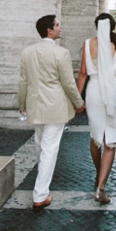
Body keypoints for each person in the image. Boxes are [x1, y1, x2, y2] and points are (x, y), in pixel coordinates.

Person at [19, 15, 85, 211]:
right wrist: (78, 102)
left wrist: (21, 104)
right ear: (49, 30)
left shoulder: (27, 52)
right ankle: (40, 194)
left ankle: (42, 186)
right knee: (49, 148)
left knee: (41, 145)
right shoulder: (61, 53)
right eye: (57, 25)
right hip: (55, 106)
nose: (60, 27)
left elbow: (23, 81)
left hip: (34, 104)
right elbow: (68, 83)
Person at [76, 13, 116, 204]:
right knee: (110, 139)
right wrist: (114, 78)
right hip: (113, 90)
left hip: (93, 90)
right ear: (112, 27)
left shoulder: (88, 44)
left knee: (96, 135)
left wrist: (77, 99)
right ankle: (101, 187)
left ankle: (99, 172)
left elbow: (82, 73)